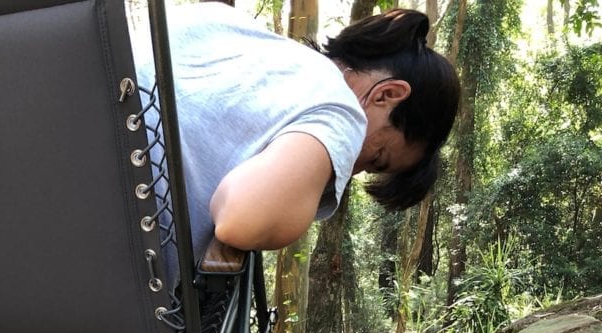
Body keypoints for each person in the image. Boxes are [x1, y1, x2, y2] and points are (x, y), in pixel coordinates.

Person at [130, 3, 460, 276]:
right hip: (119, 277)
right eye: (376, 157)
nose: (354, 171)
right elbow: (241, 221)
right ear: (386, 95)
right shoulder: (342, 110)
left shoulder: (222, 22)